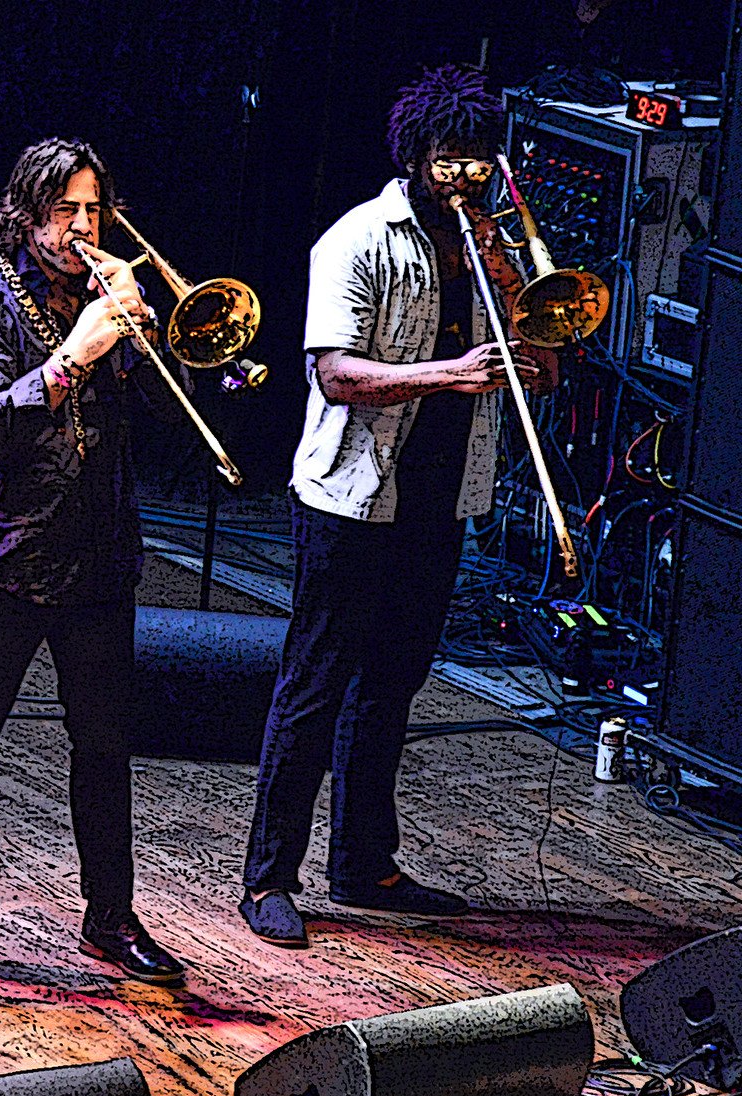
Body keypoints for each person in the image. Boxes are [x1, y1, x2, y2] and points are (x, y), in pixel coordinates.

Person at [238, 65, 557, 949]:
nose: (466, 175)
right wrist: (448, 374)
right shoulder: (358, 239)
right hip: (351, 495)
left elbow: (545, 365)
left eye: (480, 160)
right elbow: (334, 372)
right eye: (451, 158)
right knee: (314, 682)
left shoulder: (485, 245)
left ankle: (364, 863)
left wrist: (529, 312)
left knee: (395, 682)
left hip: (440, 495)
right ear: (418, 155)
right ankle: (267, 875)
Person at [0, 137, 190, 994]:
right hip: (6, 556)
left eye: (95, 209)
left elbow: (173, 413)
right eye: (67, 211)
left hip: (99, 555)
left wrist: (149, 332)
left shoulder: (110, 299)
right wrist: (76, 354)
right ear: (26, 215)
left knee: (104, 745)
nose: (85, 227)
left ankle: (111, 913)